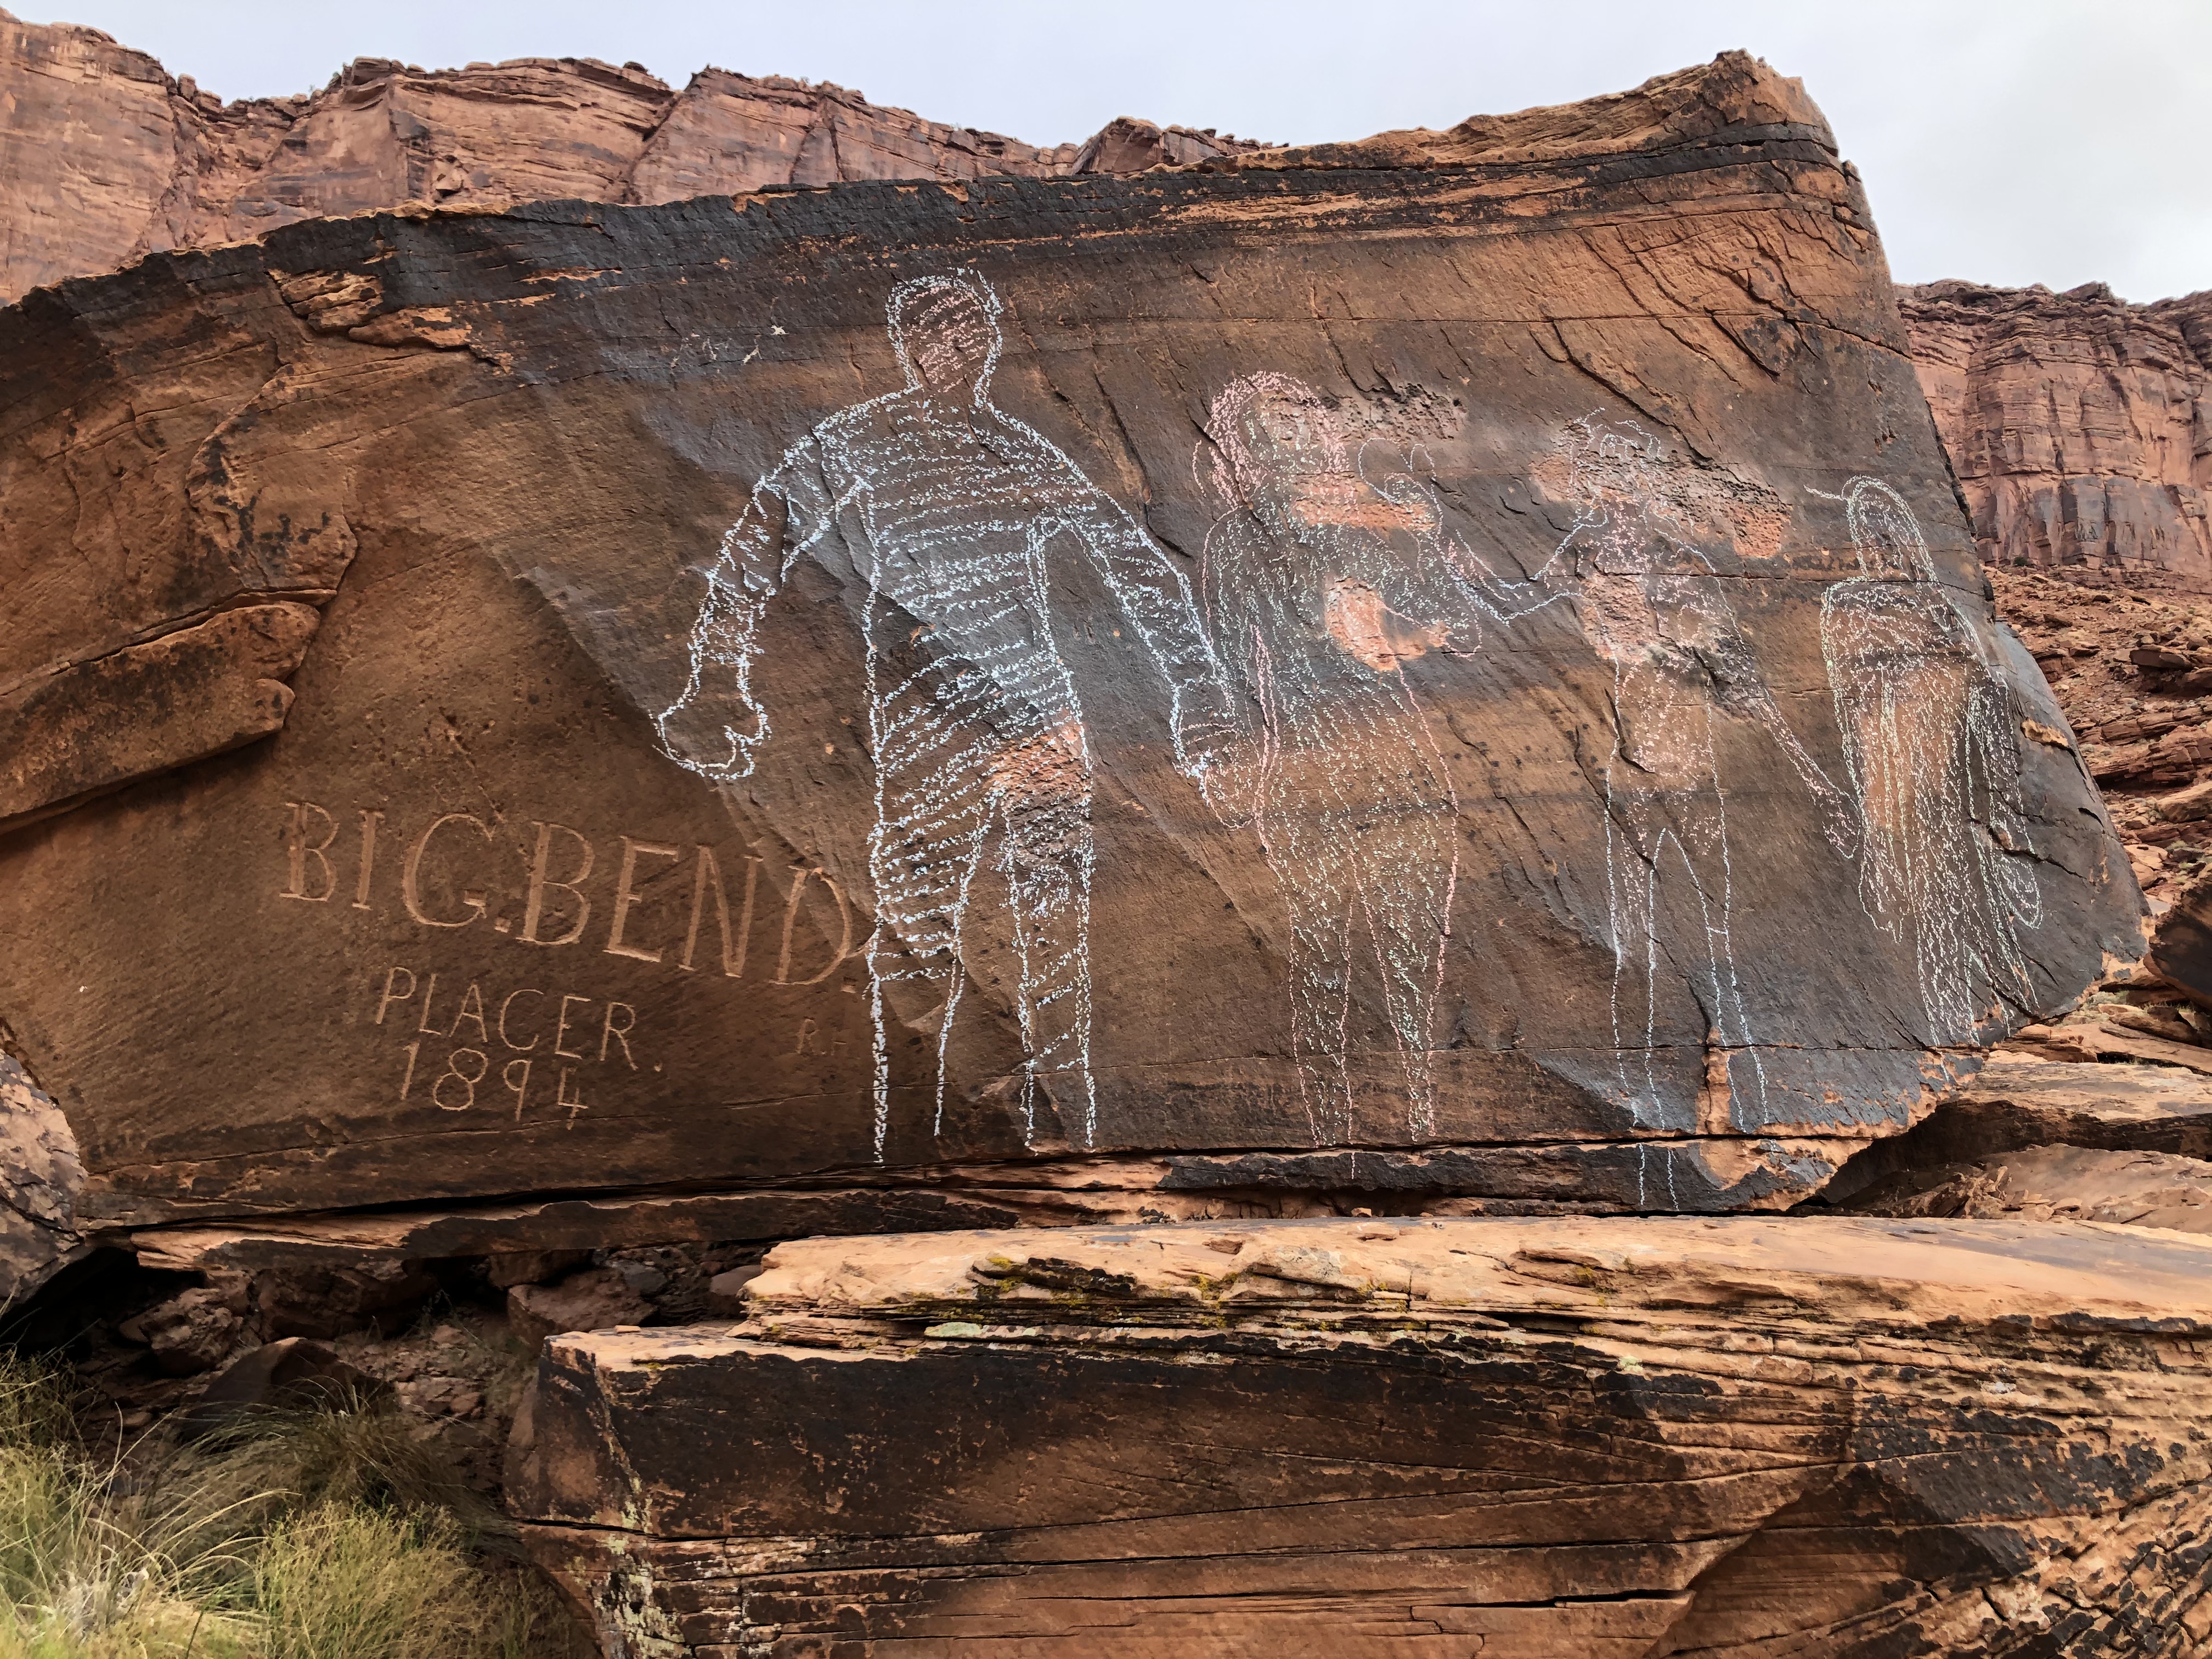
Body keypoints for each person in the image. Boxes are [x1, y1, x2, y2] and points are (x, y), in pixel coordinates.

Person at [657, 273, 1231, 1156]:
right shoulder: (857, 441)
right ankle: (921, 1139)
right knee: (918, 918)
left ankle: (1067, 1131)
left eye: (970, 327)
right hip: (926, 714)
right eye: (934, 329)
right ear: (905, 343)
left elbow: (1134, 561)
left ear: (993, 340)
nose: (954, 345)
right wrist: (717, 673)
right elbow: (755, 547)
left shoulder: (1019, 449)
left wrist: (1197, 683)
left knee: (1053, 911)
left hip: (1039, 712)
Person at [1196, 373, 1530, 1142]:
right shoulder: (1238, 538)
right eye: (1276, 424)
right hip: (1306, 761)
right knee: (1317, 960)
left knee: (1416, 962)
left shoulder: (1387, 519)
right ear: (1246, 447)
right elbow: (1222, 664)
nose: (1301, 434)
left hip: (1398, 755)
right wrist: (1235, 759)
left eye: (1310, 417)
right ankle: (1328, 1139)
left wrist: (1395, 618)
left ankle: (1418, 1132)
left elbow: (1463, 630)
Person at [1542, 416, 1859, 1131]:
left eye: (1626, 479)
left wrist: (1817, 782)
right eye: (1604, 477)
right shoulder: (1579, 557)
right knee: (1632, 937)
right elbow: (1512, 605)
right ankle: (1635, 1091)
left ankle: (1727, 1081)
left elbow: (1745, 684)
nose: (1614, 493)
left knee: (1711, 923)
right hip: (1628, 770)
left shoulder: (1678, 568)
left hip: (1684, 765)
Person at [1820, 476, 2042, 1043]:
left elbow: (1985, 691)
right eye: (1866, 533)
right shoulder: (1847, 602)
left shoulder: (1939, 607)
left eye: (1888, 530)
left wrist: (1999, 787)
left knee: (1958, 889)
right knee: (1907, 894)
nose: (1879, 545)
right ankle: (1938, 1021)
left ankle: (1974, 1012)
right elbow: (1848, 699)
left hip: (1945, 769)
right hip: (1884, 766)